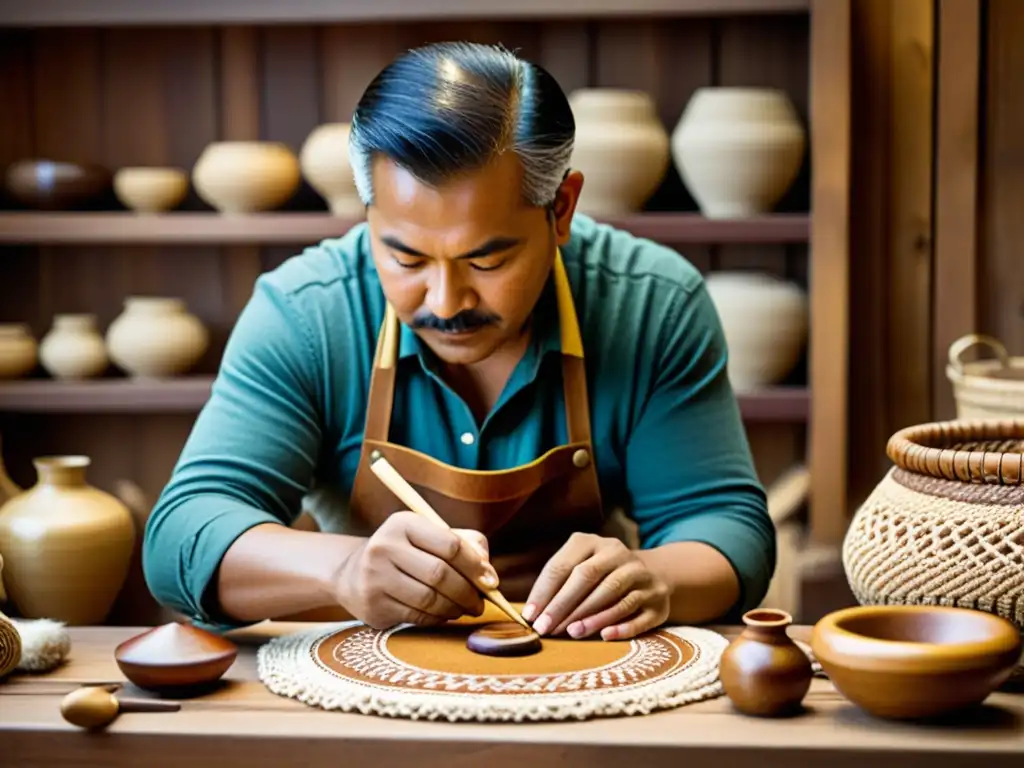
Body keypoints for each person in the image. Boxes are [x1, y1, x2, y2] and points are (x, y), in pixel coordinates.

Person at [142, 41, 775, 642]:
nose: (446, 303)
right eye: (406, 258)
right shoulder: (308, 311)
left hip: (576, 662)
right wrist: (344, 570)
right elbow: (182, 537)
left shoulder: (650, 302)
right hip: (356, 664)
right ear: (367, 215)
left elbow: (727, 527)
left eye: (487, 261)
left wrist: (655, 578)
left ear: (562, 209)